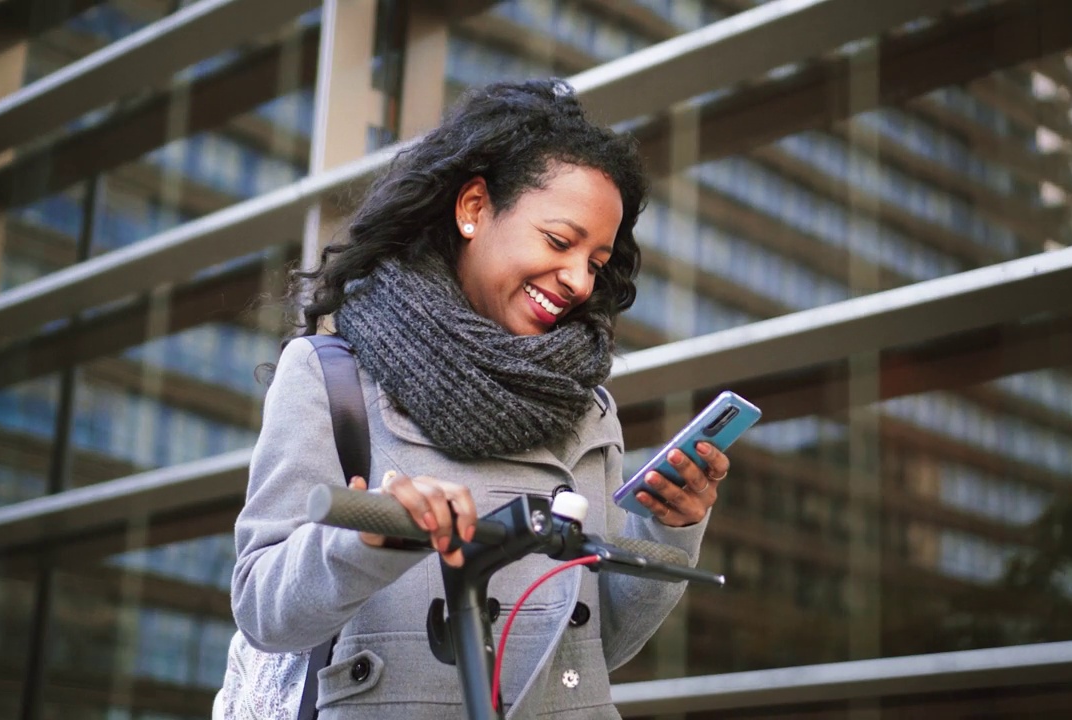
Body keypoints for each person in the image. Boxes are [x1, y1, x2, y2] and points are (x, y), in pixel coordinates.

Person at [216, 79, 730, 719]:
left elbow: (599, 647)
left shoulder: (585, 407)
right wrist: (368, 540)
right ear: (474, 208)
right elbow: (265, 609)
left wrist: (670, 528)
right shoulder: (333, 377)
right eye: (559, 241)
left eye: (596, 261)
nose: (577, 279)